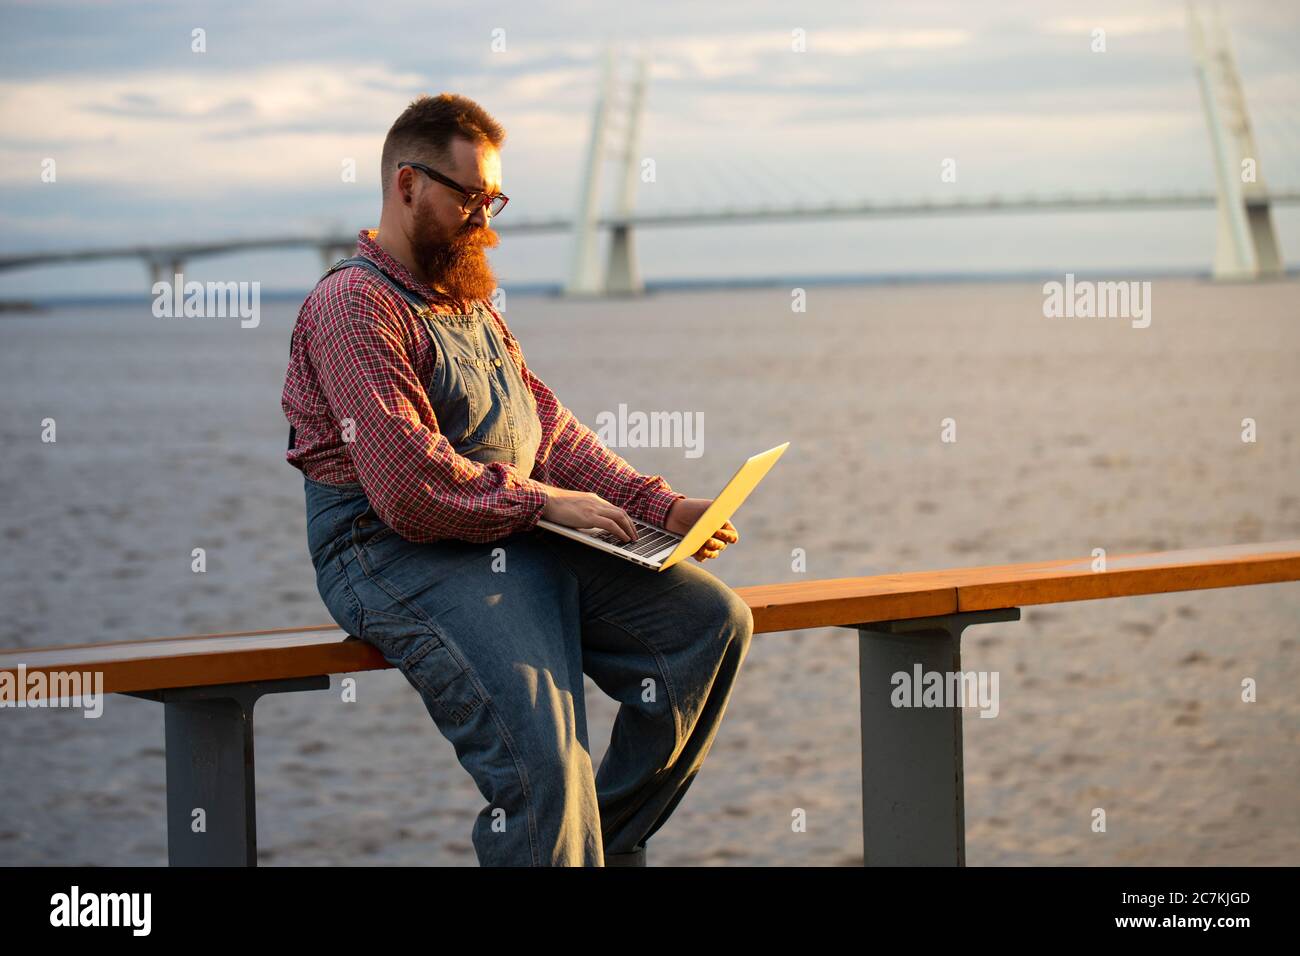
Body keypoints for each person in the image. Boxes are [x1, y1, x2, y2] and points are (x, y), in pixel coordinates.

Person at [280, 92, 755, 866]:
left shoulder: (469, 305)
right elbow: (407, 486)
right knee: (542, 761)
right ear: (407, 185)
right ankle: (561, 838)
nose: (485, 218)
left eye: (493, 198)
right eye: (470, 197)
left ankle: (594, 842)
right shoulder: (353, 306)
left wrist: (663, 507)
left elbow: (548, 429)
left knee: (707, 628)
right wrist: (547, 505)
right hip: (391, 550)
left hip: (506, 529)